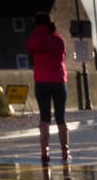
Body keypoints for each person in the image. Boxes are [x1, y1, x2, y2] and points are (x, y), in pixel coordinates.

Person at [27, 12, 69, 165]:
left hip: (42, 80)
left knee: (44, 118)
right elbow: (63, 56)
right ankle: (65, 150)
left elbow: (30, 47)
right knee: (61, 118)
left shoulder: (35, 39)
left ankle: (45, 151)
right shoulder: (59, 39)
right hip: (59, 80)